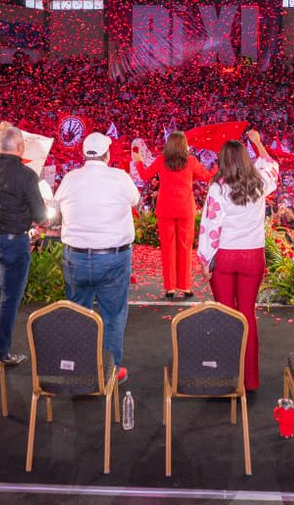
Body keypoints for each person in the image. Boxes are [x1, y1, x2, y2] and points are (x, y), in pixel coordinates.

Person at [196, 130, 278, 394]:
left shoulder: (218, 188)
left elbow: (211, 227)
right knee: (247, 314)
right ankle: (250, 379)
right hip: (253, 256)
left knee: (225, 314)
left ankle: (226, 375)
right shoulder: (261, 182)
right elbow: (272, 164)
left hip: (226, 257)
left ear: (222, 162)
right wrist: (257, 142)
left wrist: (204, 259)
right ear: (245, 160)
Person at [53, 132, 139, 383]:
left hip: (76, 258)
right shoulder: (119, 178)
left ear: (84, 154)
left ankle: (80, 369)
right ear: (107, 154)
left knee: (79, 313)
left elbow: (57, 207)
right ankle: (110, 370)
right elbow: (135, 200)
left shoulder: (70, 178)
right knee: (112, 315)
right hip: (113, 258)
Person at [0, 122, 46, 366]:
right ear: (20, 147)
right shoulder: (26, 175)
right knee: (9, 298)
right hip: (13, 243)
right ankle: (1, 352)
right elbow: (40, 214)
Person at [132, 130, 213, 299]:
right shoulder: (191, 161)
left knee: (168, 249)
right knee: (185, 249)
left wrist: (139, 162)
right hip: (185, 210)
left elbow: (145, 175)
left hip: (166, 210)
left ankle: (170, 288)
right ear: (184, 145)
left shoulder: (162, 160)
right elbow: (207, 177)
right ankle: (184, 287)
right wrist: (220, 165)